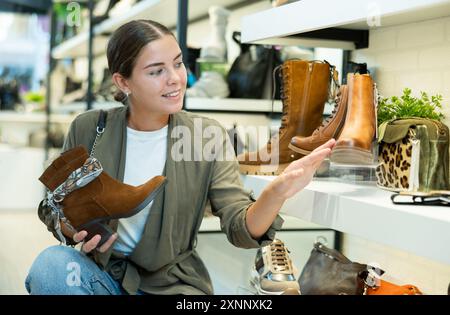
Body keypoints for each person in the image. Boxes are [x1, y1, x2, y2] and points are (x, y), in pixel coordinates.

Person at [25, 19, 335, 295]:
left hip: (174, 286)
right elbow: (55, 207)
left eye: (178, 63)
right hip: (102, 277)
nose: (175, 78)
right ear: (123, 82)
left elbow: (239, 228)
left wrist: (275, 193)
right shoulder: (91, 127)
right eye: (156, 71)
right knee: (51, 265)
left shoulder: (206, 135)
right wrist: (72, 230)